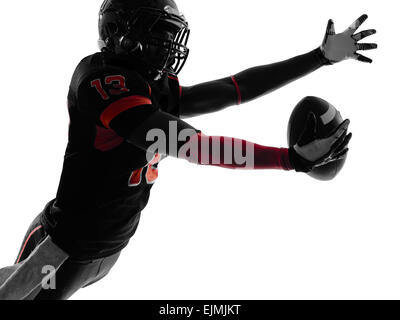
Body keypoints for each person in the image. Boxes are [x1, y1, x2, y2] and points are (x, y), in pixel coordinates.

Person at [0, 0, 376, 300]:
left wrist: (319, 58)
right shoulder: (102, 84)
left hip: (107, 246)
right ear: (121, 34)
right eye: (159, 33)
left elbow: (232, 89)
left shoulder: (145, 80)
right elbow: (194, 146)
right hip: (61, 247)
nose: (169, 46)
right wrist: (288, 159)